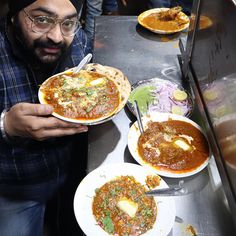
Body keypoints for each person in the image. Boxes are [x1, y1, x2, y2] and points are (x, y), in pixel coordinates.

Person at [0, 0, 89, 235]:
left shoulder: (77, 39)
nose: (57, 37)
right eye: (42, 20)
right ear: (14, 16)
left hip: (74, 173)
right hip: (18, 189)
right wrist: (6, 125)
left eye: (68, 22)